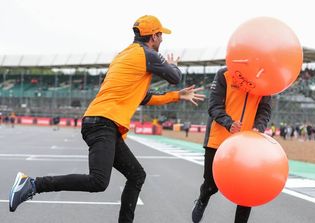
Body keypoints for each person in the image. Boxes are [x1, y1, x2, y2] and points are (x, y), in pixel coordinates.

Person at [9, 15, 205, 223]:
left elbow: (144, 97)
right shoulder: (146, 54)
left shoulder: (124, 56)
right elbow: (175, 77)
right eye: (161, 36)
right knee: (98, 181)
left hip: (102, 122)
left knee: (137, 175)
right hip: (102, 122)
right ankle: (32, 184)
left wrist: (177, 96)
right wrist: (173, 64)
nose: (163, 40)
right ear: (154, 36)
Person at [191, 67, 272, 223]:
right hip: (218, 140)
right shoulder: (224, 74)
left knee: (247, 190)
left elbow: (265, 110)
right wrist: (229, 123)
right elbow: (214, 106)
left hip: (247, 144)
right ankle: (202, 200)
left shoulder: (266, 80)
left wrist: (258, 127)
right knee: (211, 184)